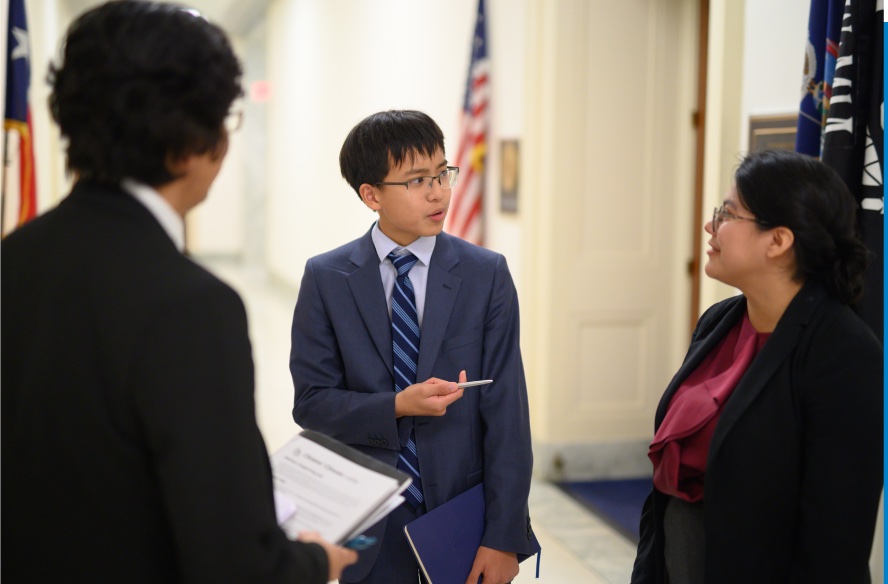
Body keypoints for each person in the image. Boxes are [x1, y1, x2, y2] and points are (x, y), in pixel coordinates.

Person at [1, 2, 356, 582]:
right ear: (192, 141)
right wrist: (318, 561)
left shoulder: (13, 258)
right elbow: (237, 564)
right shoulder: (191, 307)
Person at [289, 109, 537, 584]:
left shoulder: (485, 275)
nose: (439, 190)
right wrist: (397, 405)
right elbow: (312, 403)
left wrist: (503, 535)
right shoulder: (327, 278)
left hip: (464, 514)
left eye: (443, 172)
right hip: (370, 517)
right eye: (417, 179)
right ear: (371, 195)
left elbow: (509, 414)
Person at [631, 149, 883, 583]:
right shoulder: (720, 320)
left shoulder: (844, 353)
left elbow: (834, 543)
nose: (711, 226)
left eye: (727, 214)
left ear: (779, 241)